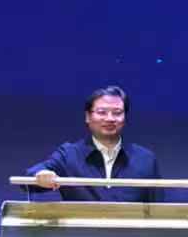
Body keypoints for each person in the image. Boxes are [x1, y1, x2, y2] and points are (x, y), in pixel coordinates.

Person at [26, 85, 163, 202]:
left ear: (125, 117)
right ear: (87, 117)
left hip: (131, 226)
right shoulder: (69, 154)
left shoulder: (145, 158)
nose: (110, 119)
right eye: (102, 112)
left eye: (117, 113)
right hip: (81, 226)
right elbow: (29, 177)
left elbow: (159, 208)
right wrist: (42, 174)